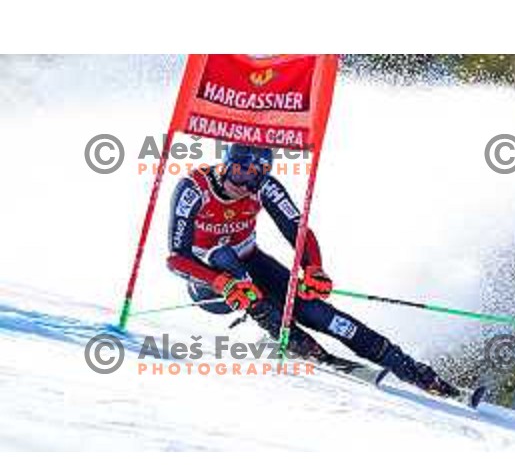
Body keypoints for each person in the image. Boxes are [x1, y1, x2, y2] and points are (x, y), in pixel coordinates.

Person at [167, 143, 459, 397]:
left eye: (254, 178)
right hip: (207, 280)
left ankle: (408, 367)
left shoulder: (265, 188)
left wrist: (313, 269)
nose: (244, 185)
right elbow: (176, 259)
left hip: (250, 262)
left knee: (316, 311)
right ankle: (299, 343)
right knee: (225, 256)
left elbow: (298, 230)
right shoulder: (194, 189)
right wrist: (221, 283)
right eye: (239, 172)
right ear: (226, 164)